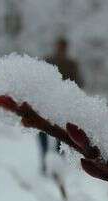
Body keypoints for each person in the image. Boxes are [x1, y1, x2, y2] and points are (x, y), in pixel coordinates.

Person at [38, 37, 84, 175]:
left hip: (60, 104)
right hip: (50, 103)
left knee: (59, 135)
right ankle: (47, 162)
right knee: (48, 134)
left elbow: (79, 83)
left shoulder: (70, 64)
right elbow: (79, 84)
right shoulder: (53, 61)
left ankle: (54, 164)